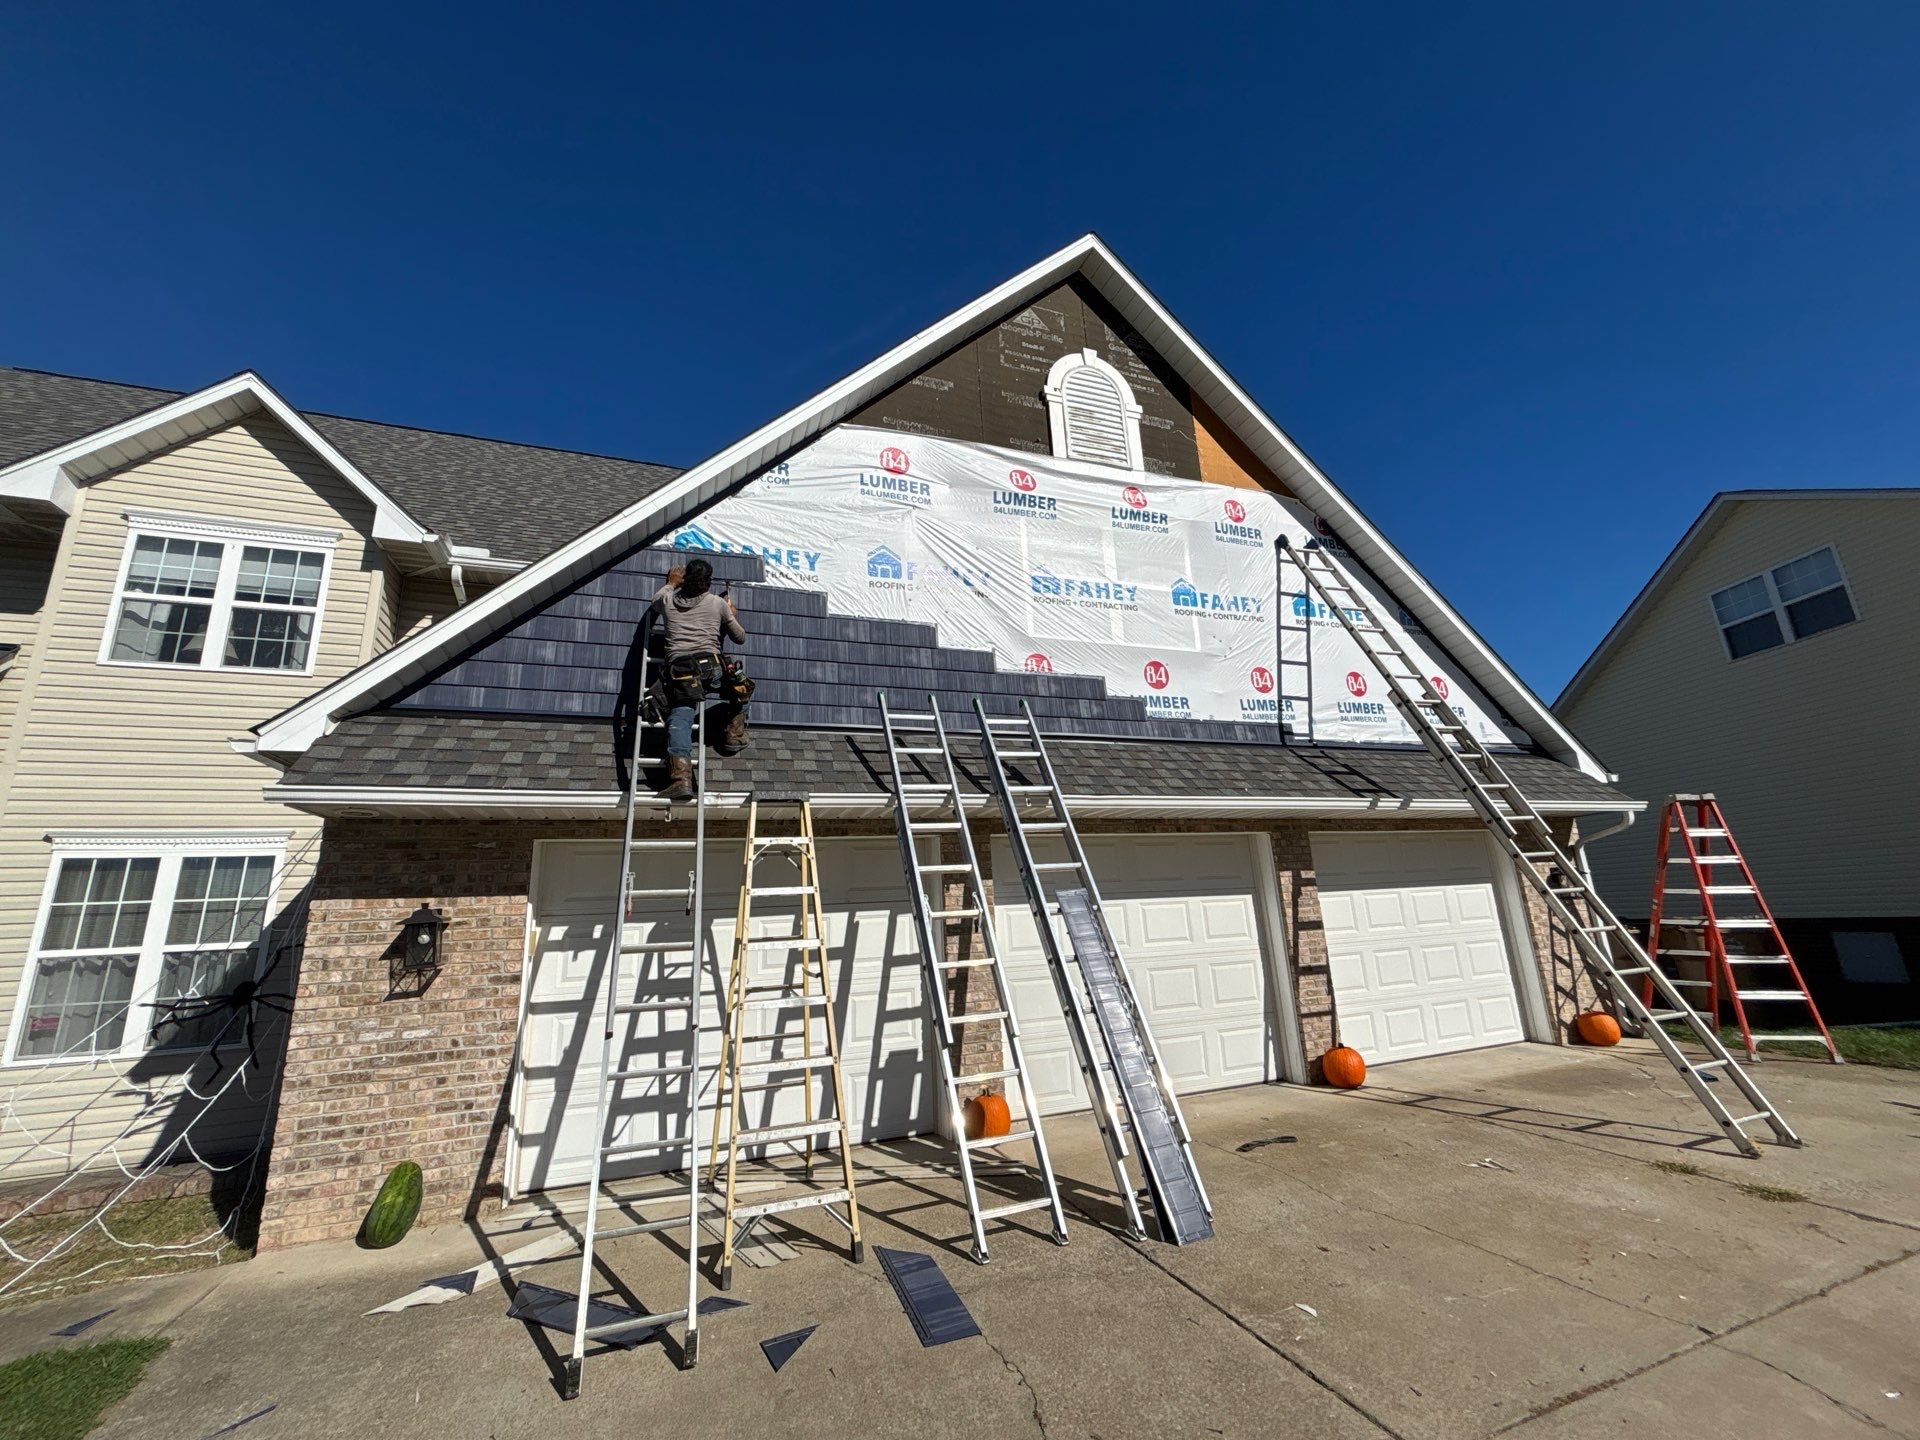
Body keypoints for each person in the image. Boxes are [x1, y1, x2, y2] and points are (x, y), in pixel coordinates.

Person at [647, 557, 745, 800]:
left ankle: (681, 779)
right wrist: (731, 614)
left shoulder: (668, 599)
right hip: (711, 668)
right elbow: (740, 637)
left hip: (680, 673)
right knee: (742, 688)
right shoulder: (717, 603)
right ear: (708, 582)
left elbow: (656, 600)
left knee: (680, 717)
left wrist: (671, 582)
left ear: (684, 578)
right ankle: (734, 735)